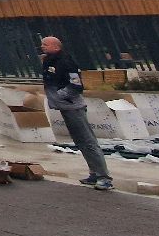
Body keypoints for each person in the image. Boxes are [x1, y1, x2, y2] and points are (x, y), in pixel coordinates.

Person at [41, 35, 113, 191]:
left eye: (45, 44)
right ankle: (94, 172)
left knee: (88, 141)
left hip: (73, 106)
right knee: (80, 141)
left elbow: (76, 86)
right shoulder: (49, 61)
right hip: (64, 106)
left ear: (56, 46)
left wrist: (60, 95)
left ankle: (104, 176)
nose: (42, 47)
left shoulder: (65, 62)